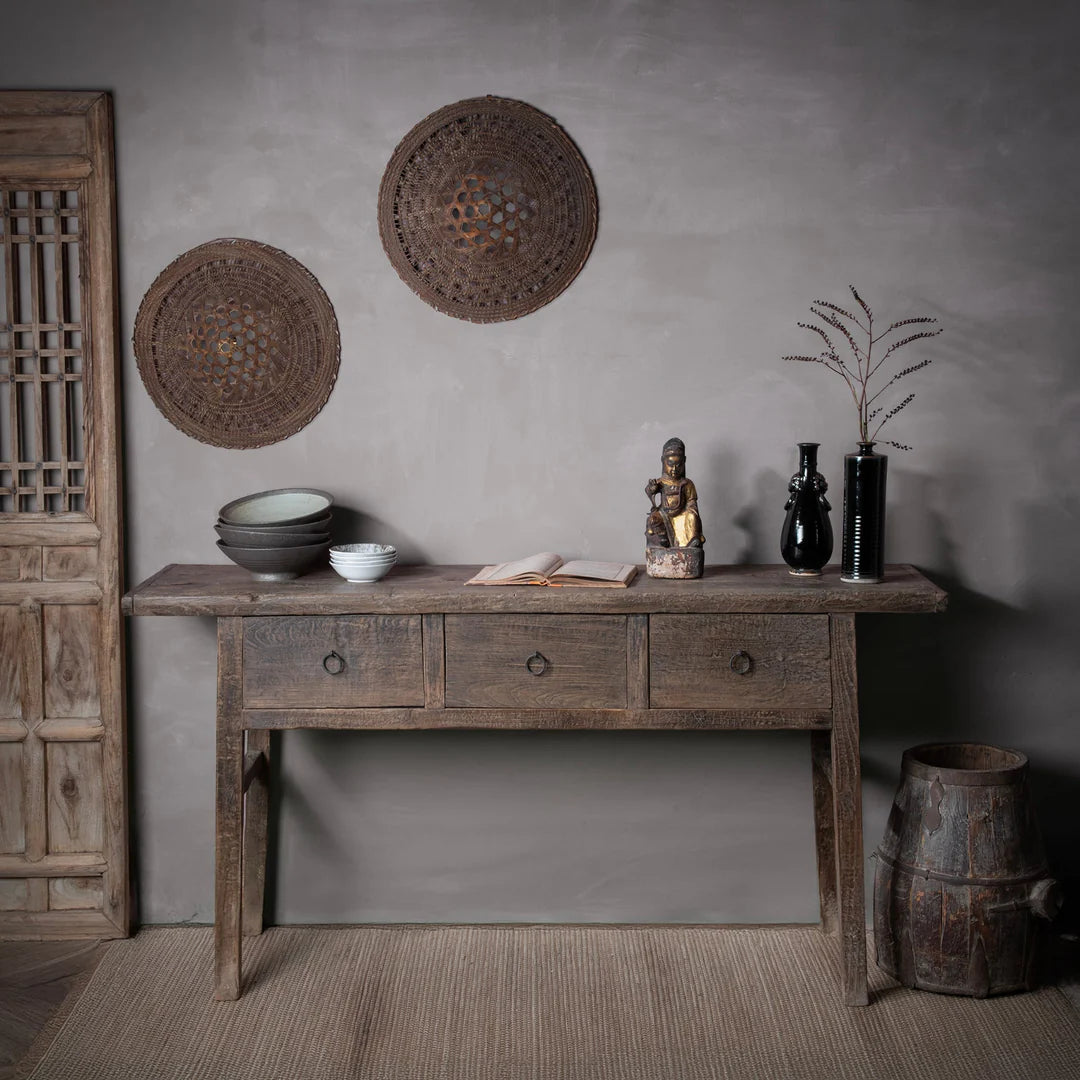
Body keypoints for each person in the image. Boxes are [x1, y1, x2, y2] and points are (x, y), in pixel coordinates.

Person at [645, 437, 704, 549]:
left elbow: (692, 502)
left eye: (678, 465)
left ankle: (692, 541)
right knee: (653, 519)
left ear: (684, 462)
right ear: (663, 461)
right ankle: (663, 538)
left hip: (682, 513)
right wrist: (652, 488)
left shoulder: (687, 483)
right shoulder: (661, 482)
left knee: (692, 516)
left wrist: (691, 512)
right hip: (665, 513)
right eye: (670, 464)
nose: (674, 468)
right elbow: (649, 490)